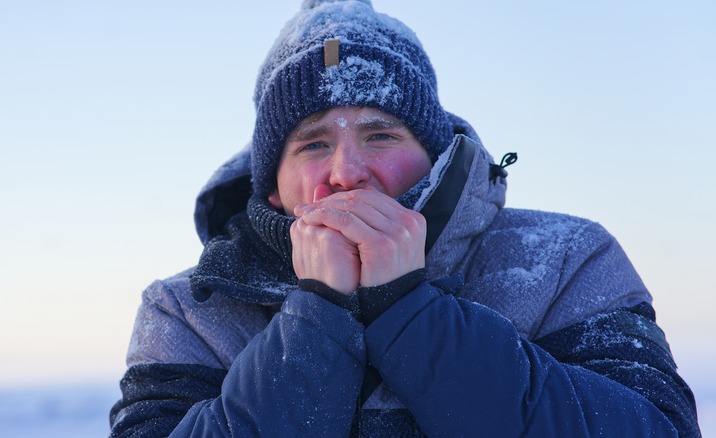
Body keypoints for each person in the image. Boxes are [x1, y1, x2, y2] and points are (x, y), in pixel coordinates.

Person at [109, 0, 700, 436]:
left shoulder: (565, 257)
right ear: (271, 191)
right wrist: (317, 313)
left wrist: (409, 312)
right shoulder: (190, 308)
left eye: (381, 134)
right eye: (312, 144)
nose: (347, 171)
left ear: (435, 157)